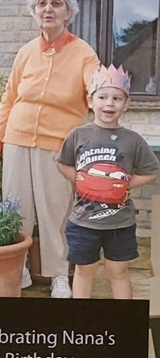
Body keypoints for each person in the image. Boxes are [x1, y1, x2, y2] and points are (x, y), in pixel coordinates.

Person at [0, 0, 100, 298]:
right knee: (15, 208)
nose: (48, 9)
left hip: (59, 145)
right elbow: (9, 99)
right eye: (42, 3)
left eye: (56, 4)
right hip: (17, 139)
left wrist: (106, 98)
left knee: (55, 212)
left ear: (68, 12)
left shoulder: (83, 53)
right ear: (34, 10)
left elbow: (95, 90)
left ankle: (59, 275)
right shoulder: (25, 53)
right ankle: (17, 268)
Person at [58, 64, 160, 299]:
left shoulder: (133, 140)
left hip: (120, 223)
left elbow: (151, 170)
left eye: (117, 98)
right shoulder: (78, 135)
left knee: (119, 271)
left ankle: (122, 324)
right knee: (84, 271)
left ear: (126, 105)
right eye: (102, 97)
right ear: (90, 101)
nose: (109, 103)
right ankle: (81, 322)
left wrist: (125, 183)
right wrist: (81, 180)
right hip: (83, 221)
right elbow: (63, 162)